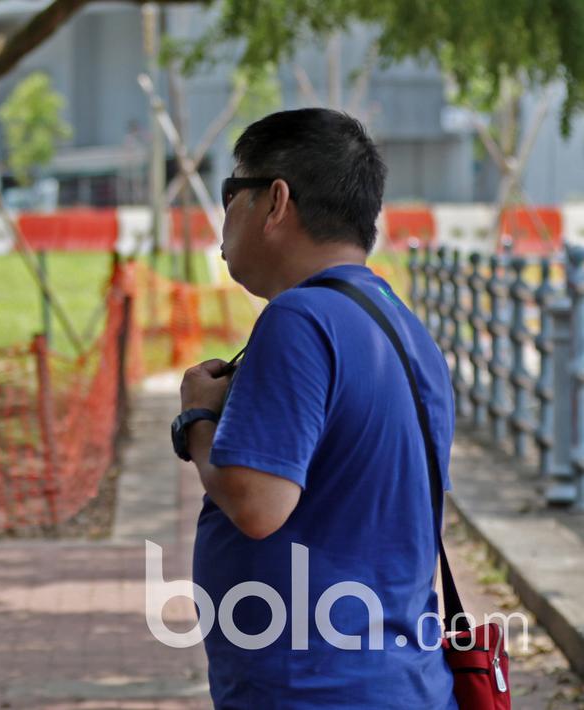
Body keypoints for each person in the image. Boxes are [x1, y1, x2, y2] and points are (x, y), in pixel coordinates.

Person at [171, 108, 456, 707]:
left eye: (231, 193)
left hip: (317, 686)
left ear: (275, 202)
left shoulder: (298, 321)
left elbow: (256, 504)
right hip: (399, 679)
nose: (223, 218)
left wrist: (197, 417)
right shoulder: (399, 325)